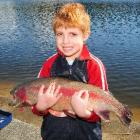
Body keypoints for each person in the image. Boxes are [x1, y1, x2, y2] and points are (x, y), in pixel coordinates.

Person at [31, 3, 108, 140]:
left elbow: (104, 106)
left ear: (85, 35)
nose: (66, 41)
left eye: (73, 34)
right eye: (60, 34)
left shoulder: (94, 65)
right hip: (53, 134)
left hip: (87, 135)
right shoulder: (49, 64)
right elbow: (35, 106)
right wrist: (41, 107)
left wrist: (84, 113)